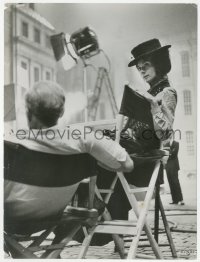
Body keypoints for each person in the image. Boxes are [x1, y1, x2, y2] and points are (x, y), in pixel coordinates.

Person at [4, 80, 134, 223]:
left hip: (10, 220)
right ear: (62, 112)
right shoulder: (83, 138)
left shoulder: (11, 143)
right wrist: (98, 162)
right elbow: (127, 164)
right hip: (56, 216)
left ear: (28, 111)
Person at [103, 38, 178, 222]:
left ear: (159, 64)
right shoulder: (147, 93)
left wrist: (153, 108)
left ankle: (106, 220)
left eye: (146, 65)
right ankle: (104, 218)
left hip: (145, 163)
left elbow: (165, 134)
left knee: (103, 158)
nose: (141, 70)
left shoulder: (167, 93)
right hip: (132, 156)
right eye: (139, 67)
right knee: (100, 149)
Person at [165, 140, 184, 205]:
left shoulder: (176, 143)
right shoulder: (165, 144)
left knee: (175, 182)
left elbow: (174, 154)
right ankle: (174, 200)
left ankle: (181, 200)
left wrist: (168, 154)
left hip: (174, 165)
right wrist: (169, 153)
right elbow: (164, 154)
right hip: (167, 166)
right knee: (170, 182)